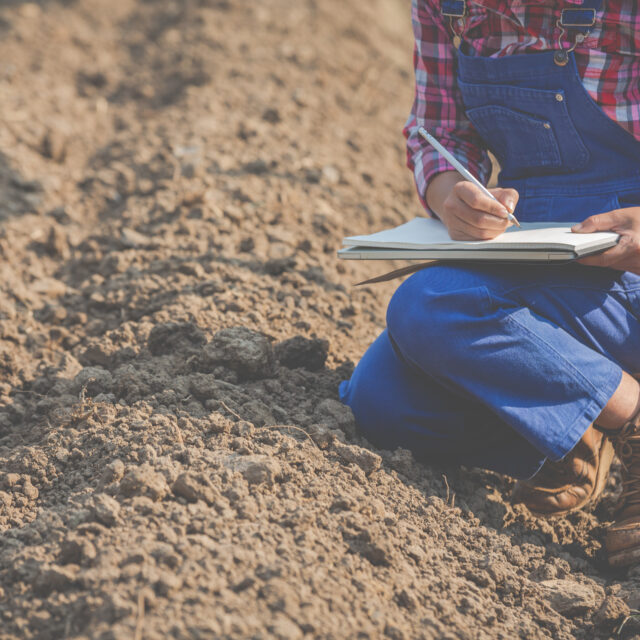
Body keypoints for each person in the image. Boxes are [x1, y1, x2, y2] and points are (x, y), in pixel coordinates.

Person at [339, 0, 640, 567]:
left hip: (628, 266)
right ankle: (589, 422)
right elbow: (438, 132)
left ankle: (607, 409)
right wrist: (452, 194)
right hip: (535, 245)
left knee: (430, 304)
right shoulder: (447, 6)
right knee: (384, 401)